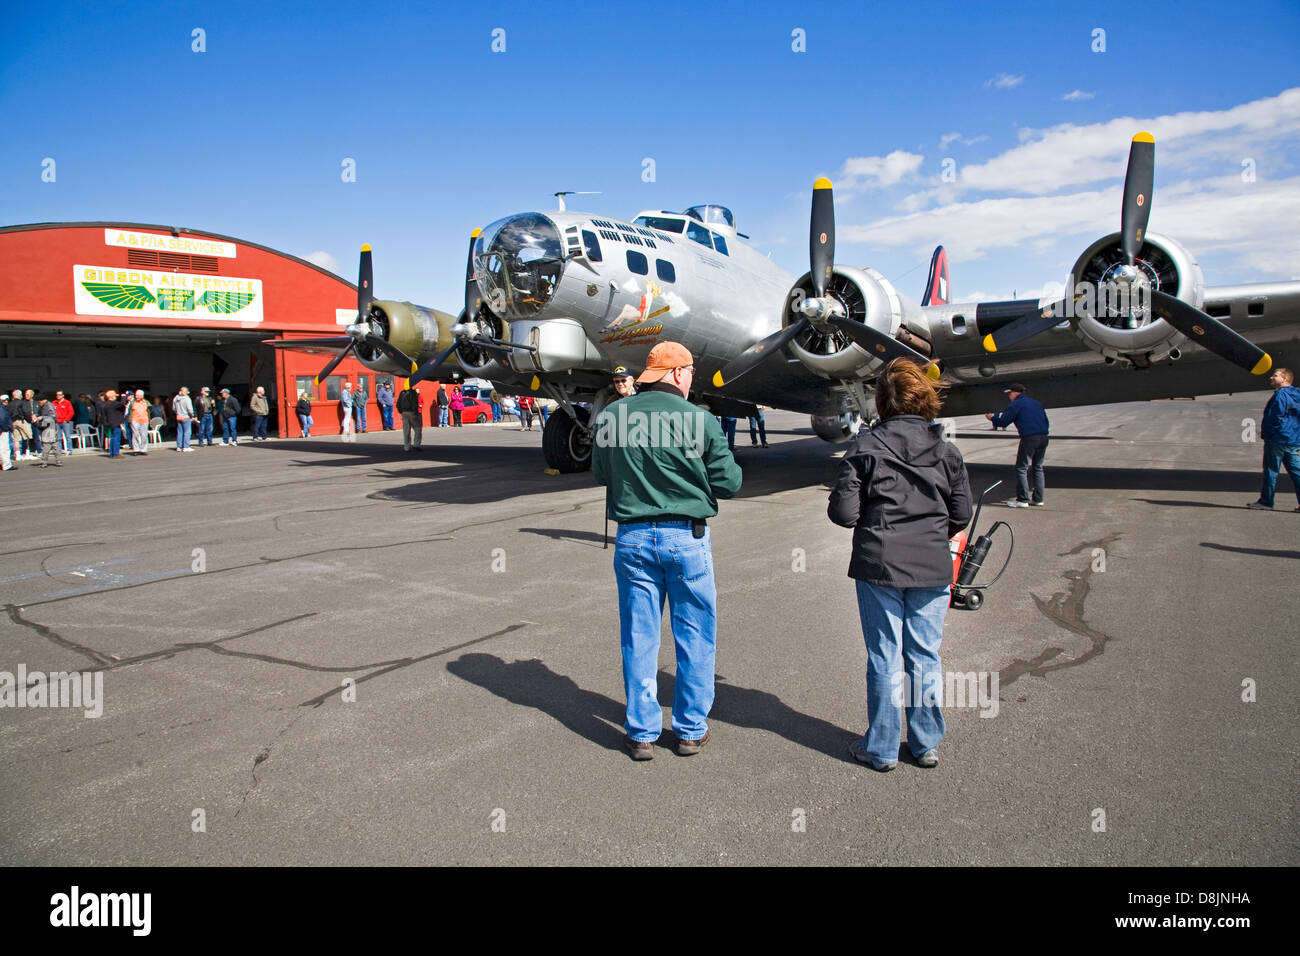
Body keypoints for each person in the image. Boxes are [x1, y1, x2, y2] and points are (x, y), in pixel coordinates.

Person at [593, 341, 742, 760]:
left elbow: (601, 471)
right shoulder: (701, 420)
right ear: (677, 374)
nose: (693, 378)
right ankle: (690, 729)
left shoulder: (613, 416)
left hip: (633, 538)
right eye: (691, 371)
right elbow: (730, 483)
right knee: (694, 633)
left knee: (639, 635)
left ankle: (642, 732)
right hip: (686, 538)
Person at [828, 358, 973, 771]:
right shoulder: (946, 450)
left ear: (881, 403)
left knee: (884, 656)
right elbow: (961, 513)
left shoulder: (864, 448)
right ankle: (925, 743)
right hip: (931, 564)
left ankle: (882, 748)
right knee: (925, 654)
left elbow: (843, 514)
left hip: (880, 565)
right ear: (924, 398)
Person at [985, 382, 1049, 507]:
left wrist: (992, 418)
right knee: (1038, 467)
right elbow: (1045, 420)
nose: (1009, 396)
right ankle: (1038, 499)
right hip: (1044, 437)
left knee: (1021, 468)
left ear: (1015, 393)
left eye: (1009, 393)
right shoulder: (1036, 403)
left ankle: (1022, 500)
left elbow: (1004, 422)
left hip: (1030, 438)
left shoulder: (1016, 404)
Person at [1247, 367, 1300, 511]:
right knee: (1296, 472)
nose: (1271, 377)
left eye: (1275, 375)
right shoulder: (1297, 394)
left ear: (1284, 379)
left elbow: (1275, 417)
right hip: (1293, 440)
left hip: (1277, 440)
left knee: (1271, 472)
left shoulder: (1280, 396)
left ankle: (1266, 501)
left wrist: (1267, 433)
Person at [34, 393, 63, 467]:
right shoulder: (43, 406)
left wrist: (42, 418)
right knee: (55, 445)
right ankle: (58, 461)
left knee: (46, 445)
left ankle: (44, 462)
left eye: (39, 401)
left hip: (49, 427)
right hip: (49, 427)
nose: (38, 403)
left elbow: (53, 417)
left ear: (43, 400)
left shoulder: (49, 406)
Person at [98, 390, 126, 458]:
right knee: (117, 438)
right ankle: (116, 453)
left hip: (110, 423)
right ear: (112, 397)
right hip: (116, 423)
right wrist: (123, 397)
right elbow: (122, 404)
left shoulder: (105, 404)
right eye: (115, 396)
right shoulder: (114, 404)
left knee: (112, 438)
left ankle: (112, 453)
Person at [397, 385, 423, 452]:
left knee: (406, 431)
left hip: (404, 413)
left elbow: (398, 404)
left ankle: (407, 447)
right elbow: (414, 403)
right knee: (417, 428)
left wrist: (401, 411)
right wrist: (416, 412)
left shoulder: (401, 393)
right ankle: (416, 445)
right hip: (412, 412)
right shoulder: (413, 393)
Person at [127, 388, 151, 453]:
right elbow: (130, 411)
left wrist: (149, 420)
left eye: (138, 395)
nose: (136, 396)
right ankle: (136, 449)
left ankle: (144, 449)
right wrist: (130, 420)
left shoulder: (146, 402)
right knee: (135, 435)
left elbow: (149, 411)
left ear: (142, 396)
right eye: (136, 395)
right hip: (135, 420)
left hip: (144, 420)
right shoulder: (133, 403)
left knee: (144, 435)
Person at [172, 387, 195, 452]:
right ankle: (186, 447)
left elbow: (173, 408)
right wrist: (192, 415)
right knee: (187, 432)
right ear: (185, 392)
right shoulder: (187, 399)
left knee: (180, 432)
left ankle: (179, 447)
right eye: (187, 392)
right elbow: (190, 409)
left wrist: (177, 413)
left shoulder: (176, 398)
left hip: (178, 417)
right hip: (186, 417)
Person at [0, 396, 13, 471]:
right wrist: (6, 428)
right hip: (2, 430)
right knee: (4, 448)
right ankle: (7, 465)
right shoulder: (2, 409)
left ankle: (2, 463)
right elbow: (2, 419)